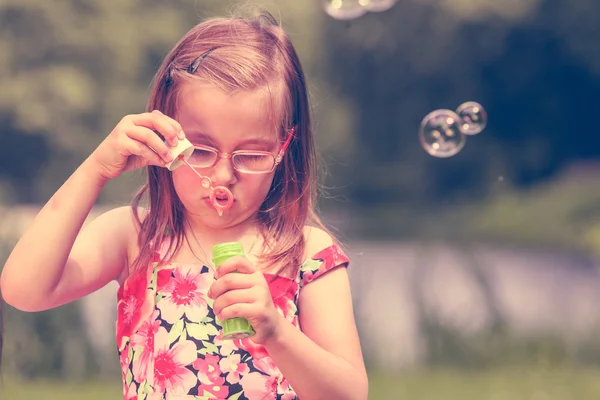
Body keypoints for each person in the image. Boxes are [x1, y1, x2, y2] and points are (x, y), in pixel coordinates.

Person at [0, 10, 368, 400]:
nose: (224, 176)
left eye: (252, 155)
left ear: (285, 147)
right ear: (168, 139)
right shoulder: (135, 238)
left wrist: (277, 332)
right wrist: (96, 170)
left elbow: (349, 394)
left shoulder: (306, 252)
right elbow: (23, 289)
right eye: (202, 150)